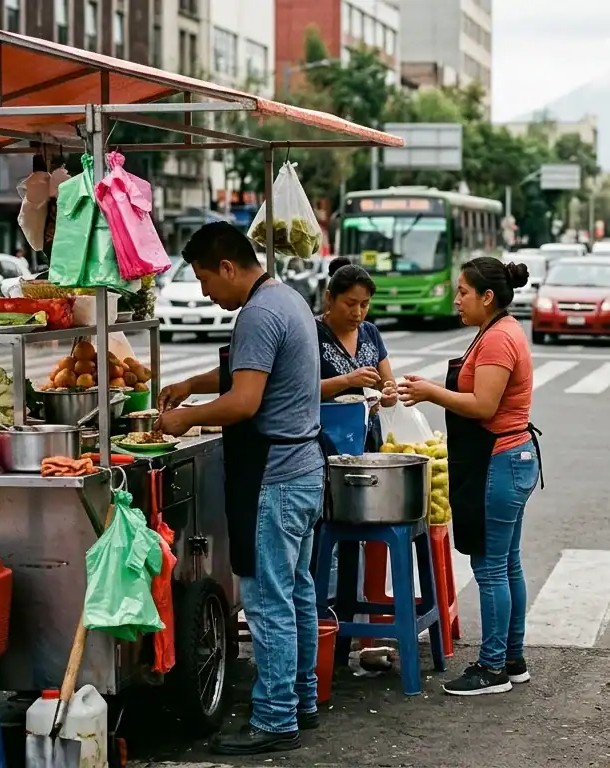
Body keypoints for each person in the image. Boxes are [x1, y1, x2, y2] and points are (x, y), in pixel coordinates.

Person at [154, 222, 325, 755]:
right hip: (303, 469)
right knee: (296, 593)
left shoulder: (258, 313)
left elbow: (245, 401)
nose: (206, 292)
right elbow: (247, 373)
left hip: (274, 475)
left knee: (268, 601)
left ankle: (275, 721)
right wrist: (191, 384)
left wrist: (186, 417)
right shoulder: (286, 299)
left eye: (206, 279)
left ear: (228, 267)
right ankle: (301, 700)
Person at [396, 257, 543, 696]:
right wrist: (426, 389)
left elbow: (483, 406)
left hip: (500, 458)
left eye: (463, 291)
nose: (456, 299)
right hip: (510, 457)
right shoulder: (496, 331)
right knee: (505, 562)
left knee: (491, 567)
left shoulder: (499, 339)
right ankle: (512, 658)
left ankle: (493, 667)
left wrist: (429, 392)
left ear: (487, 297)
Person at [318, 264, 397, 451]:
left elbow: (387, 383)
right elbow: (302, 390)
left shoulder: (370, 332)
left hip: (368, 439)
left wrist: (387, 394)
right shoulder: (311, 334)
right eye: (350, 303)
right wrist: (347, 380)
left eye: (364, 304)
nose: (358, 313)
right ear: (330, 298)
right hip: (326, 440)